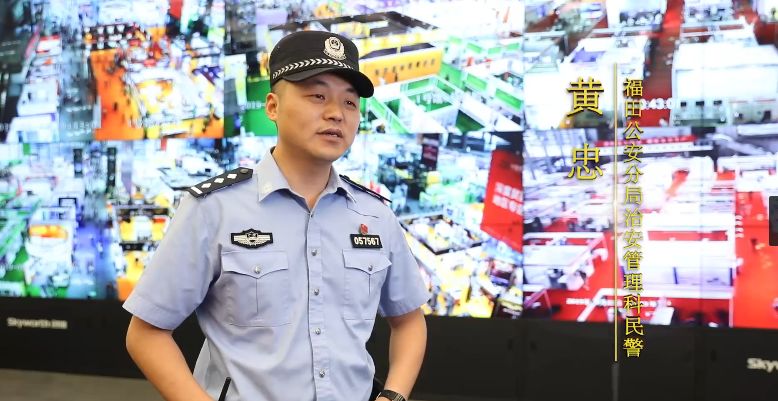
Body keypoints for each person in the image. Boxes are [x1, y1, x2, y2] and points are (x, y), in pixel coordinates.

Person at [123, 31, 430, 401]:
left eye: (350, 102)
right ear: (272, 106)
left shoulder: (375, 215)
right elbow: (146, 334)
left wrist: (393, 396)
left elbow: (409, 321)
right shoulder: (214, 209)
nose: (336, 113)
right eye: (318, 96)